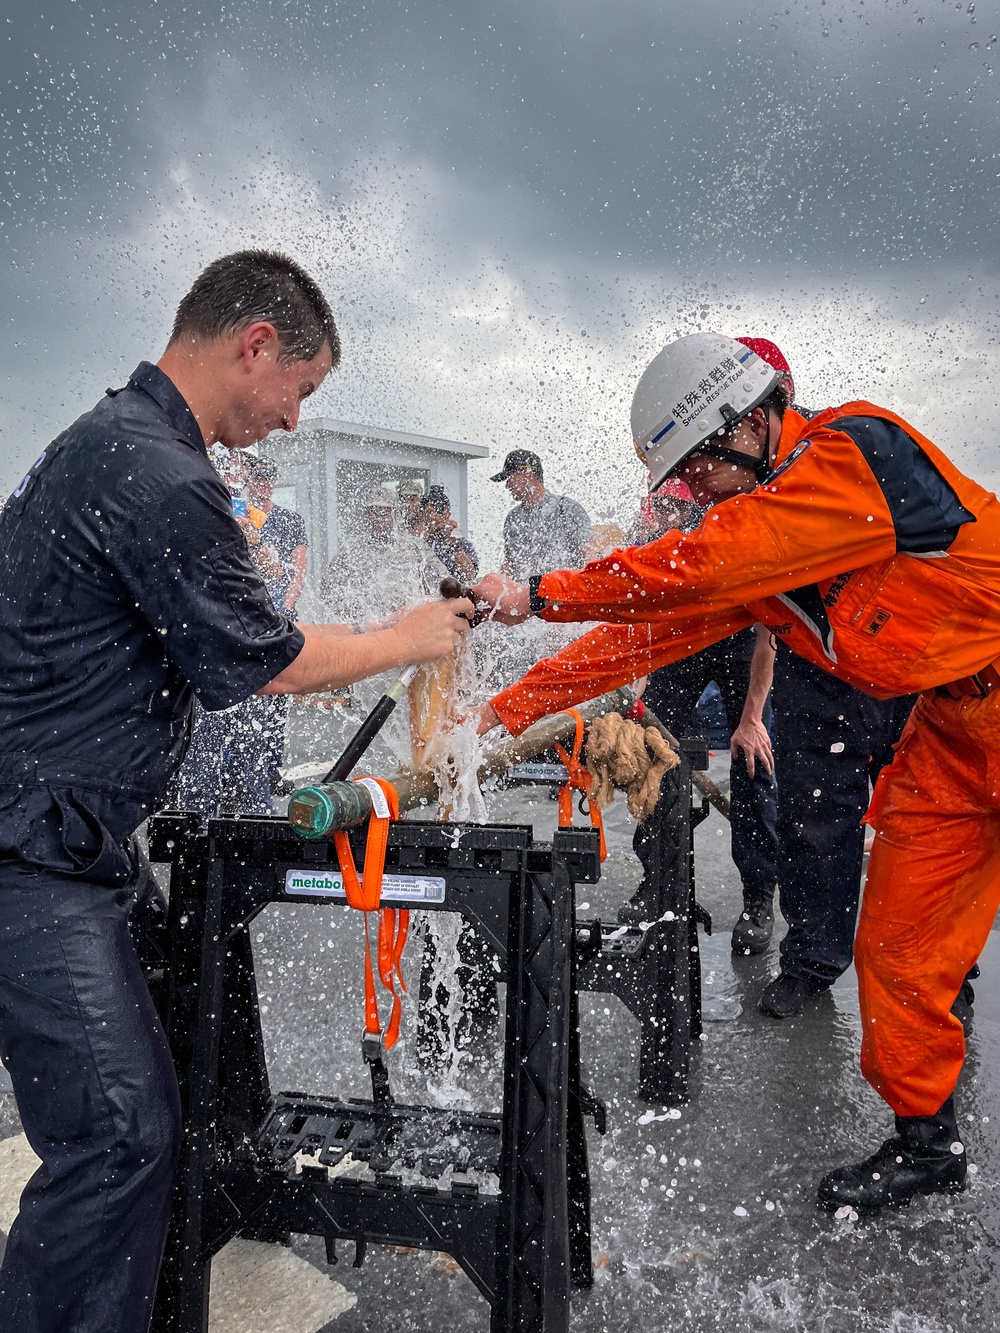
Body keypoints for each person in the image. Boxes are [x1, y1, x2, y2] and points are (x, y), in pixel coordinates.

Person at [0, 248, 471, 1333]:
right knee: (118, 1134)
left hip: (79, 842)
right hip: (31, 851)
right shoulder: (155, 471)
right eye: (301, 391)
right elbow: (266, 657)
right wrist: (407, 636)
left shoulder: (118, 440)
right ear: (253, 345)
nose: (296, 422)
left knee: (181, 1100)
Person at [472, 329, 1000, 1212]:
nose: (687, 493)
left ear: (750, 425)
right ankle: (929, 1139)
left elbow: (703, 563)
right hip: (951, 733)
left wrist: (539, 592)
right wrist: (501, 714)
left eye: (693, 471)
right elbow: (643, 633)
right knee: (893, 948)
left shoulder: (850, 451)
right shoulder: (760, 545)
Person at [733, 337, 921, 1017]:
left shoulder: (839, 452)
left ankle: (944, 974)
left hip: (902, 670)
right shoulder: (742, 488)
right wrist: (754, 711)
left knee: (917, 827)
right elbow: (761, 613)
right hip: (815, 681)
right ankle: (812, 958)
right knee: (815, 831)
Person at [628, 478, 780, 947]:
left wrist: (751, 718)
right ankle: (659, 880)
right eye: (662, 508)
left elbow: (769, 633)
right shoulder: (653, 536)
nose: (667, 518)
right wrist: (635, 694)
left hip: (743, 642)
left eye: (677, 509)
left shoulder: (740, 526)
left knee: (754, 760)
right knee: (650, 754)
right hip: (682, 640)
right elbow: (638, 622)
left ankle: (758, 895)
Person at [493, 448, 592, 580]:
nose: (507, 485)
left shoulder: (566, 508)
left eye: (509, 478)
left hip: (562, 594)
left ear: (526, 474)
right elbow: (510, 564)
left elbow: (588, 553)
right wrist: (498, 586)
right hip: (525, 595)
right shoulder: (513, 518)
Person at [246, 455, 309, 617]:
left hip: (280, 606)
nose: (264, 484)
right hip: (247, 604)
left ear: (275, 482)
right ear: (249, 481)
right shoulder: (240, 516)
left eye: (269, 479)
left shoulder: (291, 520)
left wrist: (287, 608)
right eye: (259, 478)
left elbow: (299, 572)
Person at [415, 484, 479, 582]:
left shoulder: (459, 542)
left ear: (448, 514)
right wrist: (426, 534)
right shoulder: (417, 539)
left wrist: (455, 545)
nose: (435, 516)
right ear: (423, 515)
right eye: (430, 512)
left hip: (452, 592)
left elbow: (471, 574)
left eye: (440, 511)